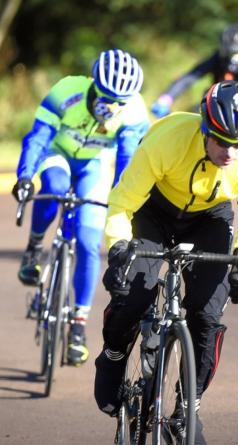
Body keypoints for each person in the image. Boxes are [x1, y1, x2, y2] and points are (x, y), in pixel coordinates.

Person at [94, 80, 238, 442]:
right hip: (156, 210)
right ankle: (114, 356)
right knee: (133, 295)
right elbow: (122, 203)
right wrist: (118, 248)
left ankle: (187, 409)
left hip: (211, 217)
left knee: (207, 316)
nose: (232, 152)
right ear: (205, 129)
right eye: (223, 141)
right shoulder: (167, 139)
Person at [11, 49, 150, 367]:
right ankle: (34, 247)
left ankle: (78, 325)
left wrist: (123, 199)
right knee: (55, 188)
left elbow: (127, 161)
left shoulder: (135, 112)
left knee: (88, 241)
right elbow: (38, 138)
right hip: (58, 153)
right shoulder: (66, 91)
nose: (112, 106)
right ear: (93, 84)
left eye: (120, 100)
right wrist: (24, 176)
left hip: (95, 165)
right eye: (107, 97)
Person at [151, 23, 238, 118]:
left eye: (234, 52)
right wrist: (166, 98)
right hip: (215, 103)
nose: (229, 56)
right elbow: (191, 76)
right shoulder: (219, 57)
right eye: (226, 51)